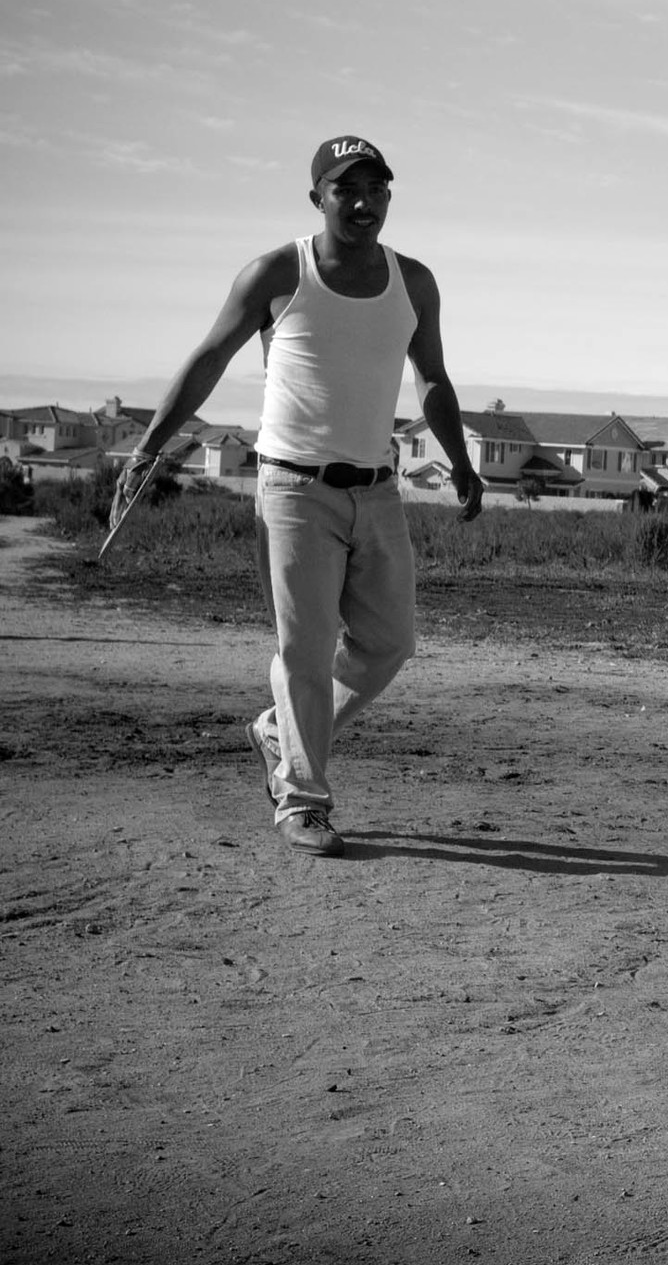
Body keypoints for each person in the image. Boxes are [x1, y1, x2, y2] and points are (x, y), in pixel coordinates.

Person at [119, 136, 482, 856]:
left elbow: (433, 380)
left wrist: (462, 464)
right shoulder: (279, 272)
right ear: (316, 197)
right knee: (306, 649)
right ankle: (302, 800)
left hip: (377, 491)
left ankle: (280, 732)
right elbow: (209, 359)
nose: (363, 202)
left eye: (376, 188)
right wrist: (148, 446)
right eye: (346, 189)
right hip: (292, 489)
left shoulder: (415, 282)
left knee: (389, 643)